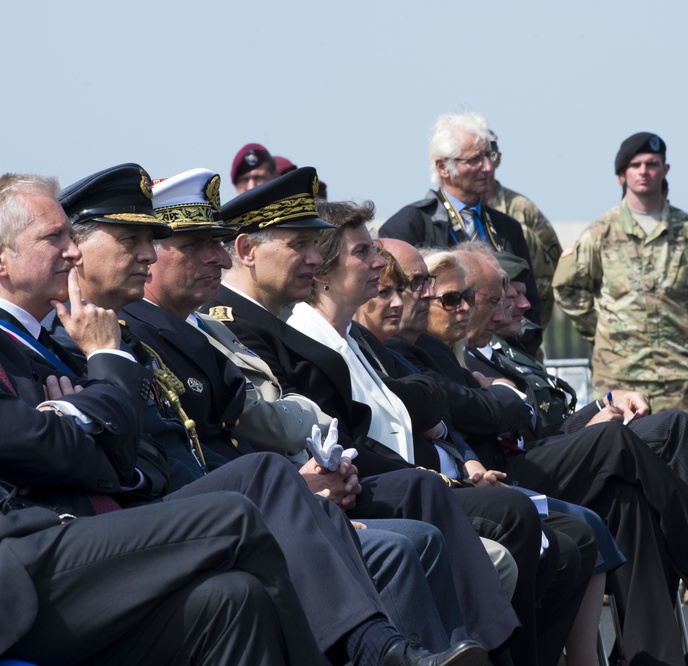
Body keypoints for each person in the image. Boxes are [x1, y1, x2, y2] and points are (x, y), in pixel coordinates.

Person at [0, 170, 487, 666]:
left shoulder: (80, 338)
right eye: (132, 240)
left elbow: (136, 449)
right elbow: (46, 445)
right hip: (57, 547)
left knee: (239, 591)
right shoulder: (92, 340)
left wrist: (83, 418)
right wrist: (99, 393)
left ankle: (416, 650)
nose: (71, 254)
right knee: (274, 493)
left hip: (129, 514)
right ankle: (379, 650)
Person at [381, 239, 688, 666]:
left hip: (523, 459)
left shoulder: (460, 352)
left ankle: (659, 656)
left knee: (642, 477)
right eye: (450, 298)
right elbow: (469, 409)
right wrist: (507, 399)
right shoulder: (419, 349)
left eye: (467, 297)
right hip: (498, 478)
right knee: (636, 438)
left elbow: (512, 418)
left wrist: (594, 408)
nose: (464, 308)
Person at [201, 168, 560, 666]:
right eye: (299, 245)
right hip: (297, 496)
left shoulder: (284, 323)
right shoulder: (232, 323)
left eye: (316, 245)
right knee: (430, 509)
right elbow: (270, 426)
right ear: (247, 252)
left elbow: (390, 403)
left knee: (559, 529)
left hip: (332, 484)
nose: (313, 257)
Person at [0, 488, 329, 665]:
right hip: (12, 569)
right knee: (234, 517)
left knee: (232, 597)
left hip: (36, 536)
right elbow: (36, 438)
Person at [552, 131, 688, 427]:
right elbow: (567, 288)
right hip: (620, 378)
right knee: (620, 464)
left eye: (652, 163)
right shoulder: (600, 233)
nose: (644, 171)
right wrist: (605, 334)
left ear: (665, 170)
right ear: (621, 175)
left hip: (680, 381)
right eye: (635, 165)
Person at [377, 111, 544, 354]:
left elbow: (530, 304)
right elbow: (399, 306)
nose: (487, 167)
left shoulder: (508, 228)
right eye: (474, 159)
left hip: (504, 358)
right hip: (438, 358)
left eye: (490, 156)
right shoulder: (407, 226)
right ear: (443, 166)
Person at [484, 128, 562, 330]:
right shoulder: (442, 213)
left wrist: (531, 326)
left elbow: (555, 271)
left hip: (518, 330)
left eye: (489, 156)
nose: (483, 166)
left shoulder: (521, 209)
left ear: (498, 159)